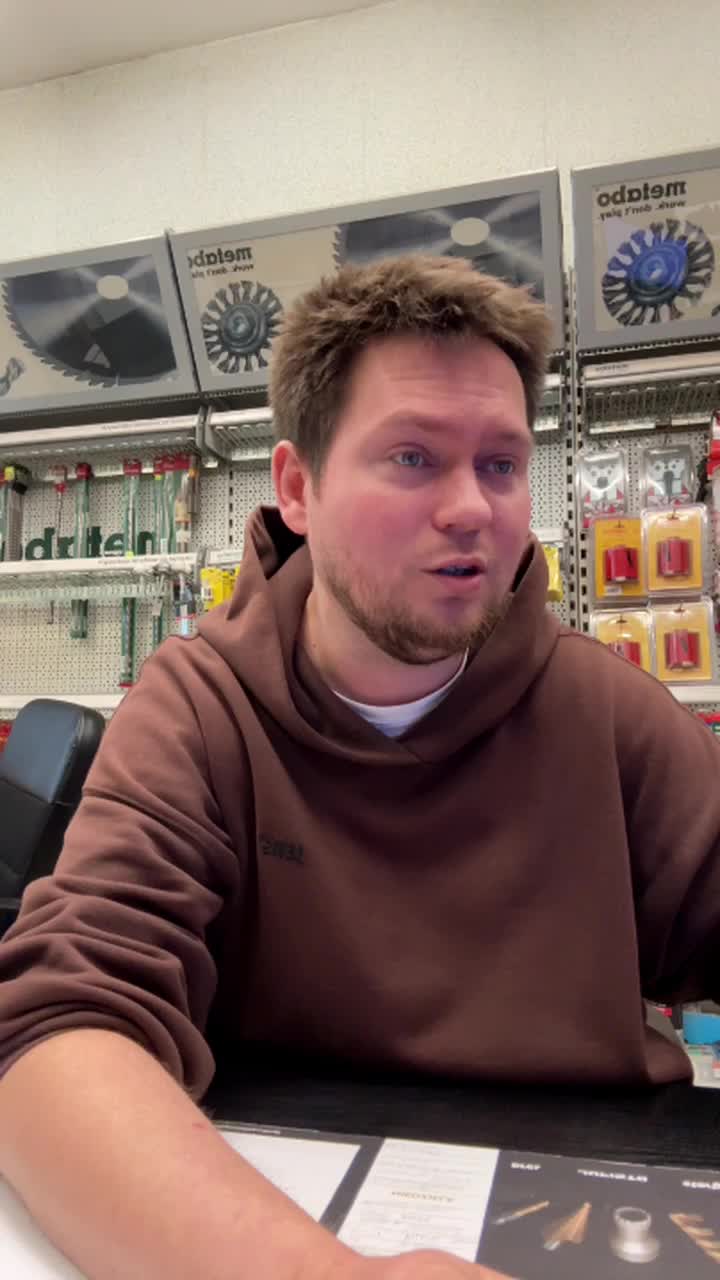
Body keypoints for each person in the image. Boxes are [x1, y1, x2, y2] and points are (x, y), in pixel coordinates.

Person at [1, 253, 719, 1280]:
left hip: (587, 1205)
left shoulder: (609, 719)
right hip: (260, 1212)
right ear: (299, 487)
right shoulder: (201, 710)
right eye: (414, 458)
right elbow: (55, 1031)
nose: (472, 508)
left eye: (502, 464)